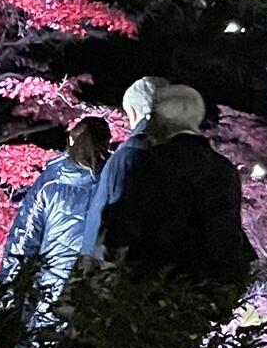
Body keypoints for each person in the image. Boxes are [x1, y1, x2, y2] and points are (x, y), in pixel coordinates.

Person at [97, 83, 254, 300]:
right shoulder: (223, 167)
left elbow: (124, 228)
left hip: (157, 286)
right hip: (209, 287)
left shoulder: (150, 162)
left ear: (161, 118)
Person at [0, 114, 112, 348]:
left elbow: (24, 238)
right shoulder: (116, 180)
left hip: (52, 284)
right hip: (100, 282)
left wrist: (7, 293)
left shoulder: (51, 181)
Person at [78, 75, 163, 262]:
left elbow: (104, 230)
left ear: (132, 113)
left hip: (132, 278)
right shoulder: (202, 157)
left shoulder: (128, 157)